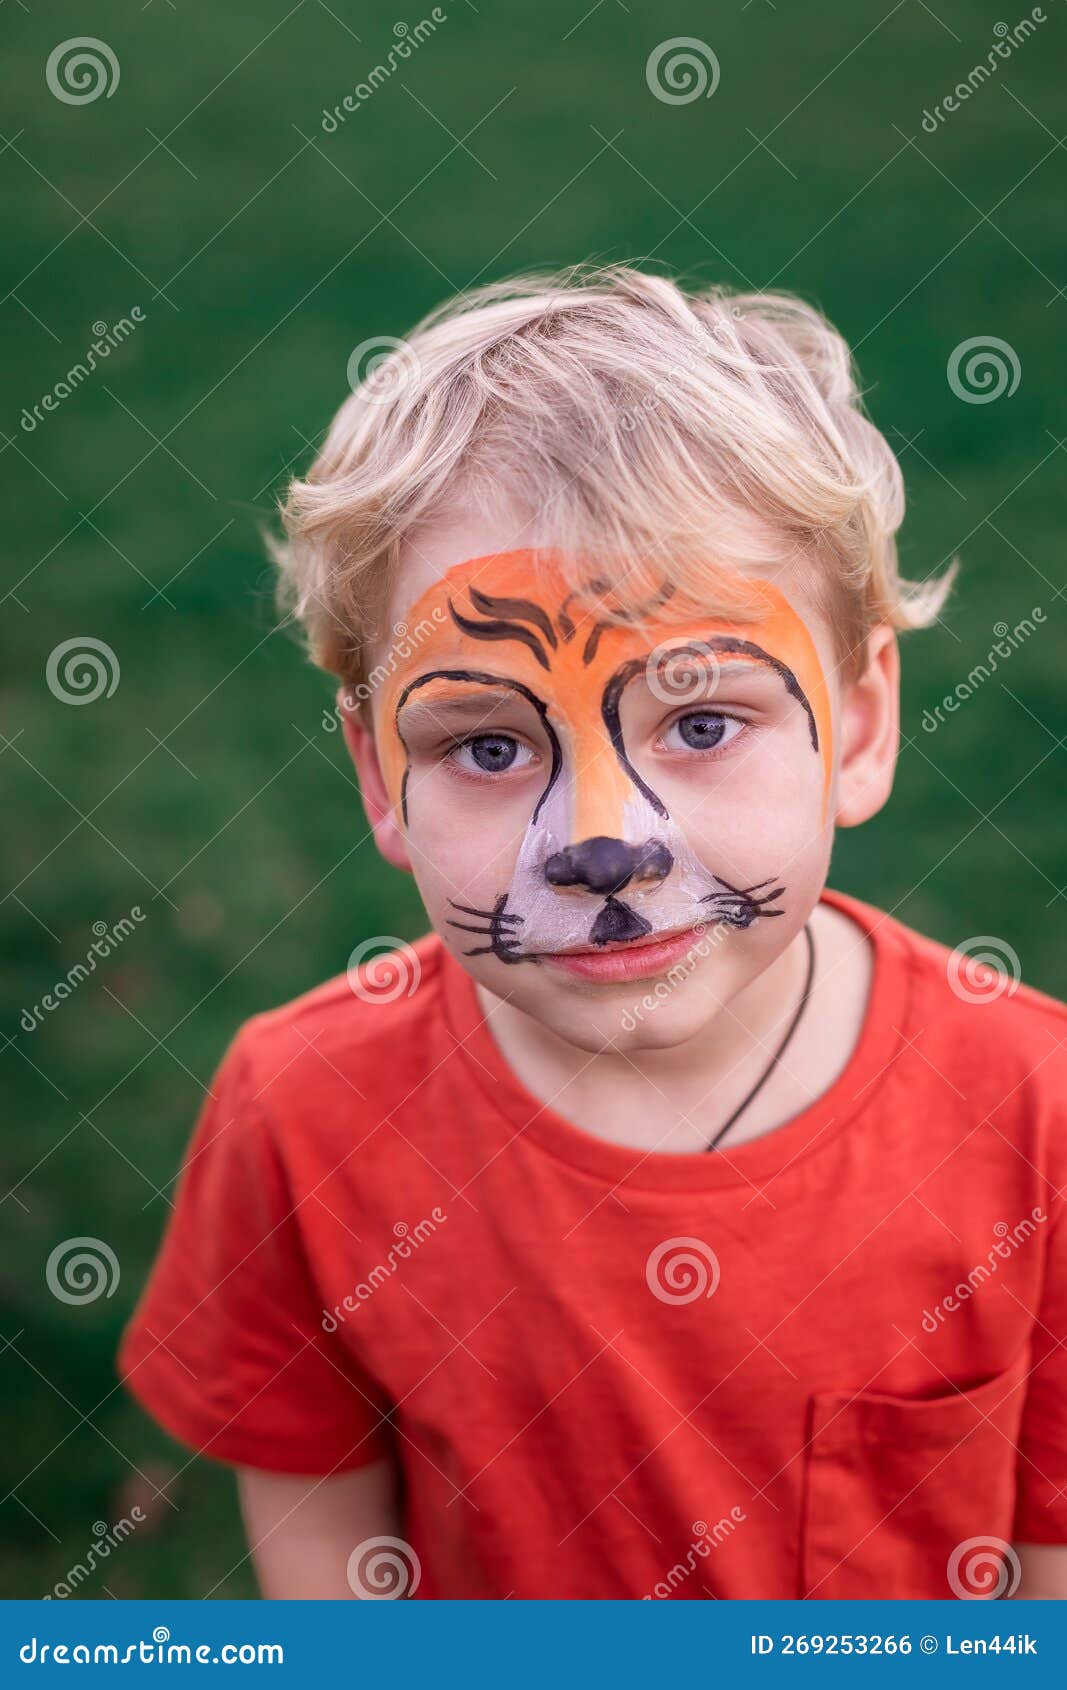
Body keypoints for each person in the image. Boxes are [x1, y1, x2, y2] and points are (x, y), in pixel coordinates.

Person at [118, 265, 1067, 1600]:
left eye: (700, 721)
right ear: (382, 776)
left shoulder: (1036, 1120)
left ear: (855, 727)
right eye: (490, 742)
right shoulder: (305, 1115)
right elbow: (329, 1575)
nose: (597, 839)